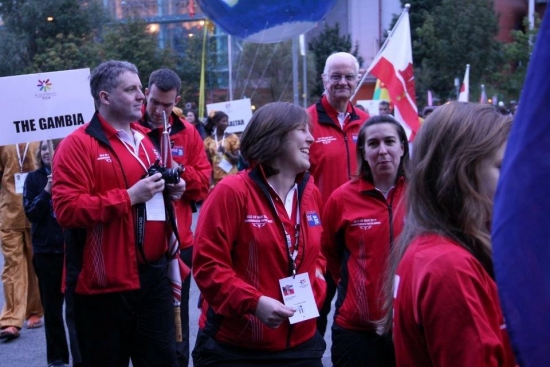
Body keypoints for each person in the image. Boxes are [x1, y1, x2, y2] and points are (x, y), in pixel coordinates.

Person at [52, 60, 187, 366]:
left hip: (153, 277)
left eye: (141, 88)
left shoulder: (145, 140)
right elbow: (66, 210)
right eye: (131, 89)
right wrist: (128, 197)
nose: (142, 96)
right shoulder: (77, 145)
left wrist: (169, 193)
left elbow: (150, 197)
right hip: (104, 284)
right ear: (105, 97)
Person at [192, 102, 327, 366]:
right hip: (237, 349)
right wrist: (254, 303)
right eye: (301, 129)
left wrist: (317, 282)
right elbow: (208, 266)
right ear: (273, 137)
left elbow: (318, 255)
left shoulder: (311, 193)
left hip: (303, 344)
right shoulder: (232, 192)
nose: (311, 137)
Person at [383, 102, 516, 366]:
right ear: (463, 174)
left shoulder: (442, 251)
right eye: (503, 167)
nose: (515, 178)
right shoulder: (448, 266)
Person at [139, 68, 212, 367]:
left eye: (167, 105)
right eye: (154, 102)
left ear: (177, 101)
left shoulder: (187, 131)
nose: (159, 110)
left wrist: (182, 180)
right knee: (144, 326)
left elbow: (204, 180)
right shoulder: (130, 127)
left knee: (177, 321)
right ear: (146, 93)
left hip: (179, 240)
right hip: (140, 241)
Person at [322, 115, 408, 366]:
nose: (382, 150)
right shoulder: (341, 199)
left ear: (402, 147)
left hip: (409, 326)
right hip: (356, 328)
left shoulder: (422, 193)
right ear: (363, 151)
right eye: (373, 144)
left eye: (390, 141)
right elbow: (330, 255)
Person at [307, 51, 369, 336]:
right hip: (318, 235)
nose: (342, 82)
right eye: (336, 76)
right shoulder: (306, 122)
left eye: (348, 76)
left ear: (356, 79)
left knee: (354, 310)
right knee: (314, 309)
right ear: (324, 79)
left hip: (359, 233)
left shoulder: (367, 122)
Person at [23, 139, 82, 366]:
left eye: (53, 148)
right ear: (40, 153)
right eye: (45, 148)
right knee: (53, 308)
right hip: (46, 252)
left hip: (70, 251)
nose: (48, 152)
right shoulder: (33, 179)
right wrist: (47, 190)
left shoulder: (70, 174)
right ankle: (57, 358)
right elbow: (32, 213)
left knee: (76, 310)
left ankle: (80, 356)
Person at [0, 142, 43, 340]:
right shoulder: (4, 137)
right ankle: (11, 319)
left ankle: (34, 310)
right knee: (12, 265)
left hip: (36, 210)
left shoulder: (38, 136)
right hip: (9, 212)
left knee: (36, 263)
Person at [203, 110, 240, 187]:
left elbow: (237, 160)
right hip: (216, 178)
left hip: (231, 176)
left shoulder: (232, 138)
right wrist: (210, 179)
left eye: (227, 121)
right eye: (223, 121)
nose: (226, 123)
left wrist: (225, 152)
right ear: (216, 122)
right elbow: (208, 162)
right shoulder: (208, 141)